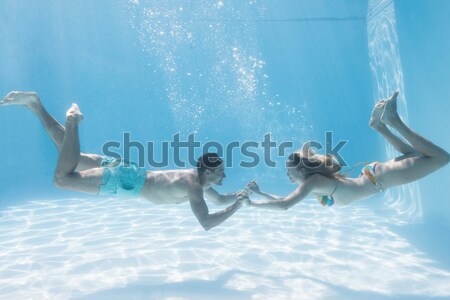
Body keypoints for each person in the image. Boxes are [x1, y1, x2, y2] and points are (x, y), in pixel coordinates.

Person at [0, 91, 248, 231]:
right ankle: (72, 121)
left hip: (131, 170)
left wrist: (241, 196)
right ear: (205, 170)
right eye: (220, 173)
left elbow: (220, 199)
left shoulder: (200, 184)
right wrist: (236, 209)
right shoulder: (194, 186)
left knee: (72, 154)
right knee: (62, 179)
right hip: (128, 182)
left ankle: (35, 104)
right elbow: (206, 222)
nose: (224, 177)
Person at [245, 91, 449, 209]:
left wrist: (253, 206)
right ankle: (380, 125)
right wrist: (260, 194)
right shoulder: (313, 184)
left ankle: (393, 121)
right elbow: (282, 200)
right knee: (419, 156)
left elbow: (285, 205)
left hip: (380, 179)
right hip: (374, 176)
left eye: (288, 170)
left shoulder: (312, 181)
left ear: (301, 170)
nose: (287, 175)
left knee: (440, 158)